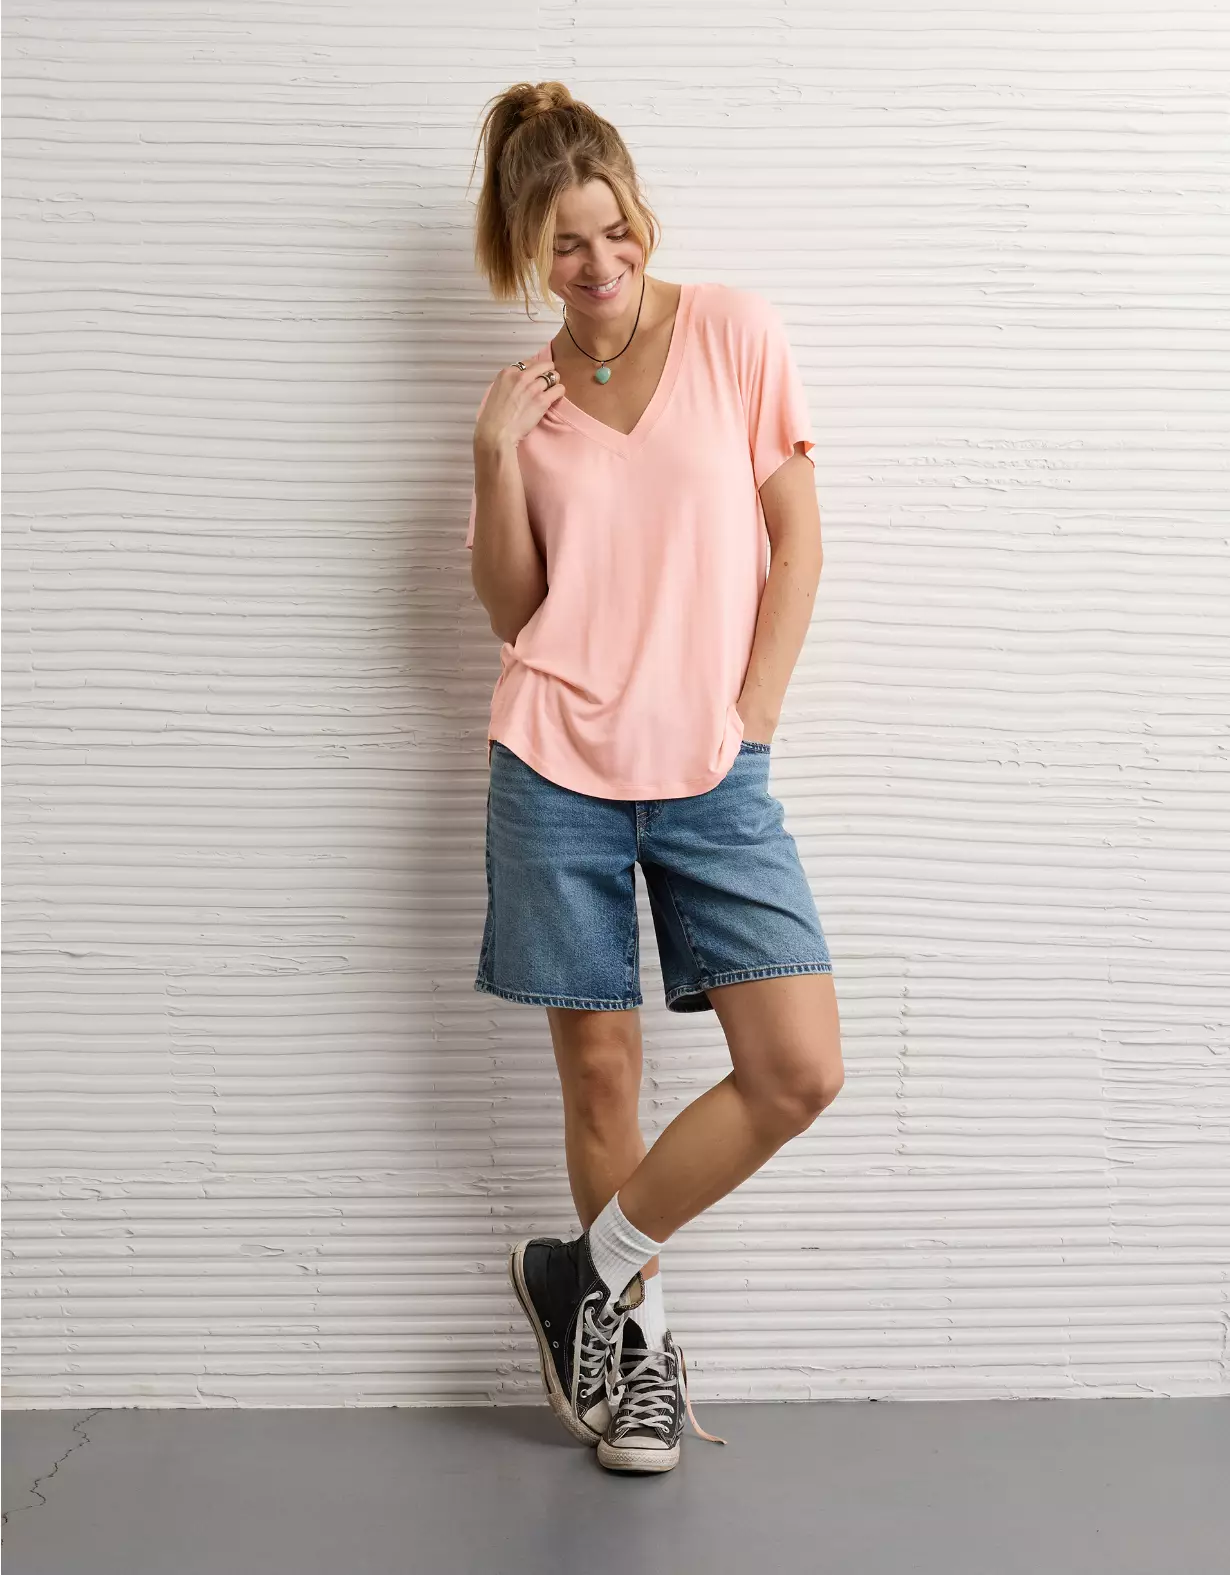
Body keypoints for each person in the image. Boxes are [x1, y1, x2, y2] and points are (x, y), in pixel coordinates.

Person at [464, 80, 845, 1475]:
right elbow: (515, 610)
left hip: (710, 766)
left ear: (641, 214)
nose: (599, 263)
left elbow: (797, 544)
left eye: (615, 229)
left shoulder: (735, 332)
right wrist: (493, 455)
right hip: (552, 761)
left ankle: (583, 1271)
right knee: (601, 1073)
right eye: (565, 243)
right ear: (528, 250)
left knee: (796, 1068)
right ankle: (635, 1362)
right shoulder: (525, 401)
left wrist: (752, 717)